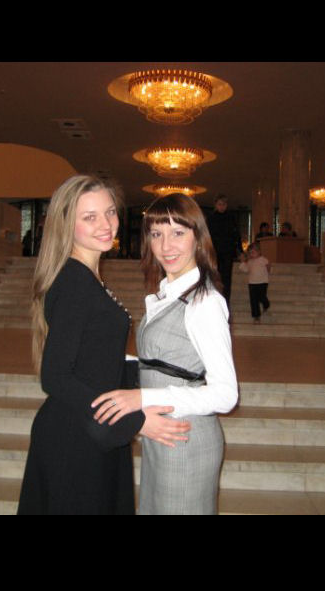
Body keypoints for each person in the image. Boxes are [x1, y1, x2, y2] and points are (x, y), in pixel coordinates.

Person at [16, 175, 191, 515]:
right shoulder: (74, 282)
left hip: (93, 426)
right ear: (67, 225)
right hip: (77, 437)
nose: (106, 225)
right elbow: (55, 376)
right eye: (90, 217)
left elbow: (93, 355)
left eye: (110, 212)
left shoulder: (86, 276)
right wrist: (135, 422)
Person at [91, 193, 238, 515]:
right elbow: (162, 365)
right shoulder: (166, 295)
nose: (166, 245)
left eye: (178, 233)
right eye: (156, 234)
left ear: (198, 238)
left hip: (185, 437)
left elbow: (226, 395)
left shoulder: (204, 302)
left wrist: (141, 397)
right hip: (161, 433)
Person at [206, 193, 243, 303]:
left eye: (224, 204)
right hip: (215, 251)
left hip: (228, 251)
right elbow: (207, 235)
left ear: (226, 205)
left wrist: (240, 250)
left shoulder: (231, 217)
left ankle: (226, 302)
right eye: (220, 204)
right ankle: (215, 301)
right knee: (215, 276)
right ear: (215, 205)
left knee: (227, 278)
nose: (222, 206)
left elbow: (236, 234)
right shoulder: (211, 218)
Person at [238, 242, 271, 323]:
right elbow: (245, 269)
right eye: (250, 253)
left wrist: (268, 270)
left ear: (259, 251)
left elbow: (268, 267)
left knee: (262, 296)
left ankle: (266, 304)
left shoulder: (263, 260)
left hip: (262, 282)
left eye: (253, 252)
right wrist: (242, 262)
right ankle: (256, 316)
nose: (251, 254)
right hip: (252, 283)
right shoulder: (250, 262)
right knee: (254, 300)